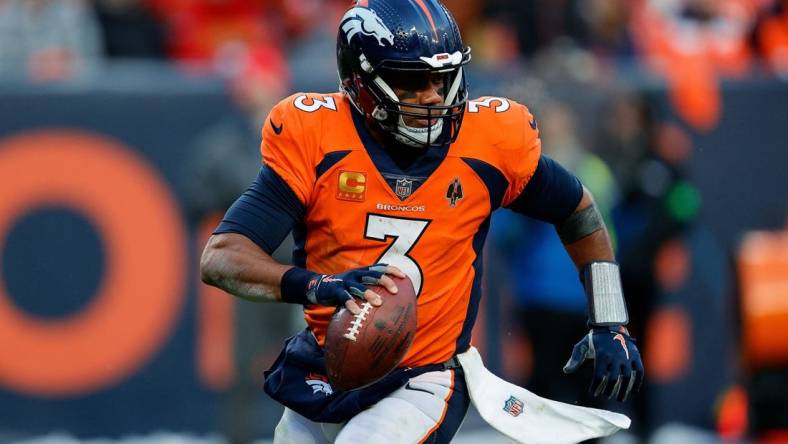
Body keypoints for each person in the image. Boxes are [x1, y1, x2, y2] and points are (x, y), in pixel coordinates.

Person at [200, 1, 644, 442]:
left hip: (426, 377)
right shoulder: (317, 137)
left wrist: (609, 319)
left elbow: (579, 212)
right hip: (328, 368)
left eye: (443, 77)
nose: (435, 95)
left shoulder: (489, 141)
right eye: (413, 81)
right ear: (360, 81)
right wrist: (314, 285)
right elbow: (222, 257)